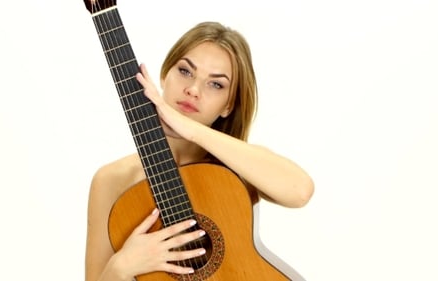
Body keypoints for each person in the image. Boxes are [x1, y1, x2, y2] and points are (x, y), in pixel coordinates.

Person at [85, 21, 314, 281]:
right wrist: (122, 265)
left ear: (228, 106)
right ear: (164, 76)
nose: (193, 90)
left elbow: (300, 190)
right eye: (185, 71)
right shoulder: (112, 180)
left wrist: (190, 129)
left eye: (216, 85)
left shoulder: (237, 166)